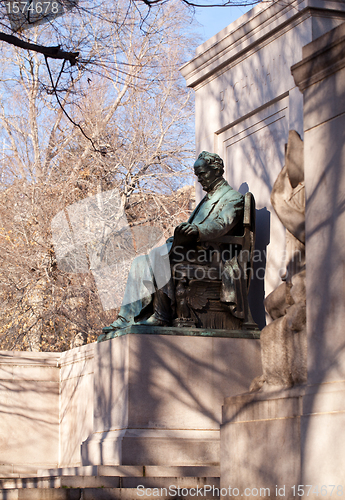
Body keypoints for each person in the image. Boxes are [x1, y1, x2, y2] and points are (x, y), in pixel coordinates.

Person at [99, 151, 245, 341]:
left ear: (216, 170)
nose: (199, 179)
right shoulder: (207, 200)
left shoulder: (232, 198)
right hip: (194, 254)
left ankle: (161, 315)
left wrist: (197, 230)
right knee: (140, 261)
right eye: (197, 175)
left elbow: (222, 224)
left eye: (202, 173)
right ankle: (127, 317)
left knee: (160, 256)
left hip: (214, 259)